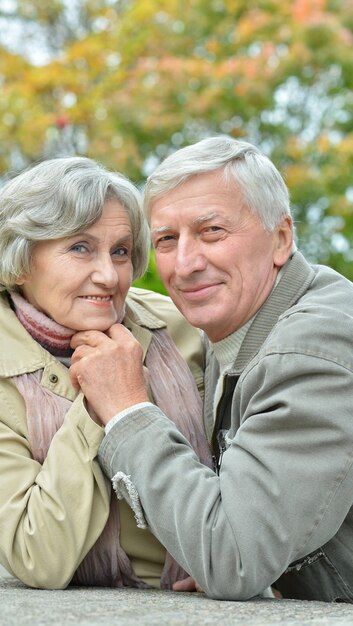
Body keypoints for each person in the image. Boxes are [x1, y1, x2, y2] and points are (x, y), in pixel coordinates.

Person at [69, 136, 353, 602]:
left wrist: (126, 410)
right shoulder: (235, 324)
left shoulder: (310, 349)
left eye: (212, 231)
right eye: (166, 240)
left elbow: (233, 561)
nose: (185, 265)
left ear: (281, 239)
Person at [0, 156, 211, 590]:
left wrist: (232, 559)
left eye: (120, 251)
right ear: (21, 260)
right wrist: (104, 403)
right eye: (79, 248)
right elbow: (37, 555)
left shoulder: (178, 324)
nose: (108, 275)